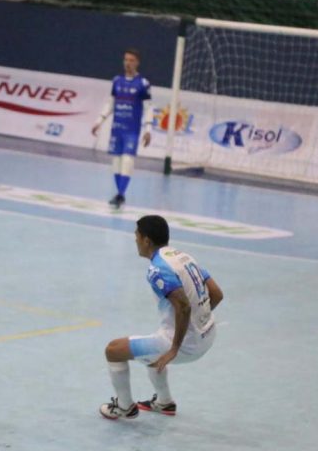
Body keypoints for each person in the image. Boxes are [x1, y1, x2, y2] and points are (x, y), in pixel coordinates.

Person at [99, 215, 223, 420]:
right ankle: (164, 402)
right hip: (209, 333)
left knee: (113, 350)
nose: (135, 240)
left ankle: (124, 407)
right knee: (150, 349)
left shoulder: (158, 269)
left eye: (137, 236)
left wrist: (174, 348)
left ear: (147, 240)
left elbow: (183, 306)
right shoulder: (184, 257)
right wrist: (200, 321)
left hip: (185, 344)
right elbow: (217, 294)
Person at [92, 48, 153, 209]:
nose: (128, 63)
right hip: (117, 128)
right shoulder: (117, 81)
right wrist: (99, 121)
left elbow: (148, 108)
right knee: (117, 161)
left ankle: (120, 194)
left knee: (127, 160)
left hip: (132, 130)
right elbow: (111, 103)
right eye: (126, 60)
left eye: (131, 60)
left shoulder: (143, 83)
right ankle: (120, 194)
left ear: (137, 63)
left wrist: (148, 130)